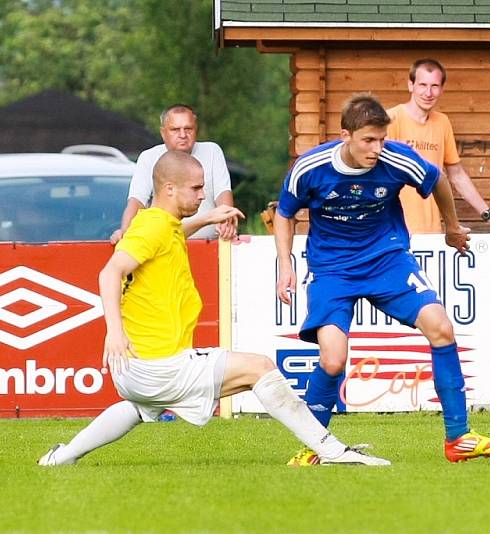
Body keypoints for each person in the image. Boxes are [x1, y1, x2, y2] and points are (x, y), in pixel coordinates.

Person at [38, 151, 389, 467]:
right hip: (159, 366)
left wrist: (205, 219)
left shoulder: (158, 223)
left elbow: (171, 231)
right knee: (260, 368)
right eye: (196, 188)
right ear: (170, 188)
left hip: (134, 371)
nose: (203, 195)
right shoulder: (156, 226)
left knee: (139, 407)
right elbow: (110, 271)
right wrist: (114, 331)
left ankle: (62, 456)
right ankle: (331, 452)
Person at [274, 93, 490, 465]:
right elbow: (285, 213)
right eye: (368, 140)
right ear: (345, 136)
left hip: (386, 259)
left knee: (441, 327)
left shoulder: (397, 159)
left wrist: (452, 227)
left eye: (381, 139)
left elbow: (437, 181)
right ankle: (314, 447)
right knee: (334, 360)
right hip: (333, 269)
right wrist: (285, 265)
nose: (376, 148)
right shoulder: (311, 167)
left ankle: (459, 437)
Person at [387, 59, 490, 233]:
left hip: (432, 230)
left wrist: (489, 216)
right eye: (422, 85)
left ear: (442, 89)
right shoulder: (391, 119)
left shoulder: (442, 122)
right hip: (394, 230)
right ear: (411, 85)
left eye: (434, 86)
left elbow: (457, 175)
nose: (428, 93)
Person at [110, 104, 236, 244]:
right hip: (163, 245)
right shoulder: (148, 157)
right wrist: (125, 231)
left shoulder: (212, 151)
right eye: (175, 129)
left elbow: (223, 192)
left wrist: (227, 221)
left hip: (210, 246)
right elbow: (137, 201)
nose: (182, 135)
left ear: (196, 130)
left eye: (188, 129)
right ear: (163, 133)